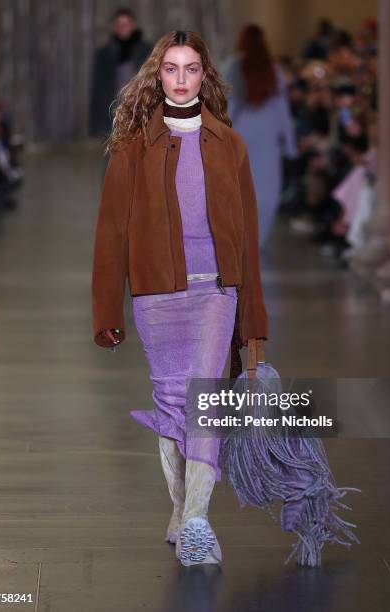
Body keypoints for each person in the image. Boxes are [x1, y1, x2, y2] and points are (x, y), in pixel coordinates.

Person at [91, 30, 268, 567]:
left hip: (217, 289)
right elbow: (110, 231)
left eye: (193, 69)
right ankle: (179, 507)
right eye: (172, 68)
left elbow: (249, 236)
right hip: (157, 294)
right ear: (157, 75)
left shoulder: (229, 145)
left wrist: (253, 321)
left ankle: (196, 520)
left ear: (206, 77)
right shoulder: (133, 146)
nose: (183, 79)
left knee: (205, 401)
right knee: (172, 405)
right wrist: (106, 312)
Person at [222, 25, 297, 250]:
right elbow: (282, 107)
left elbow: (227, 103)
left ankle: (240, 237)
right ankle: (257, 239)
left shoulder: (233, 64)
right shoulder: (272, 68)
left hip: (241, 128)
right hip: (268, 129)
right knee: (268, 187)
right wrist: (290, 145)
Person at [88, 7, 152, 138]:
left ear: (133, 25)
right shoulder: (104, 55)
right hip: (114, 113)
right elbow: (98, 90)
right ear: (114, 27)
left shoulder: (148, 52)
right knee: (114, 154)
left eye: (126, 24)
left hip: (140, 111)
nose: (123, 27)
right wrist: (97, 124)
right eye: (119, 24)